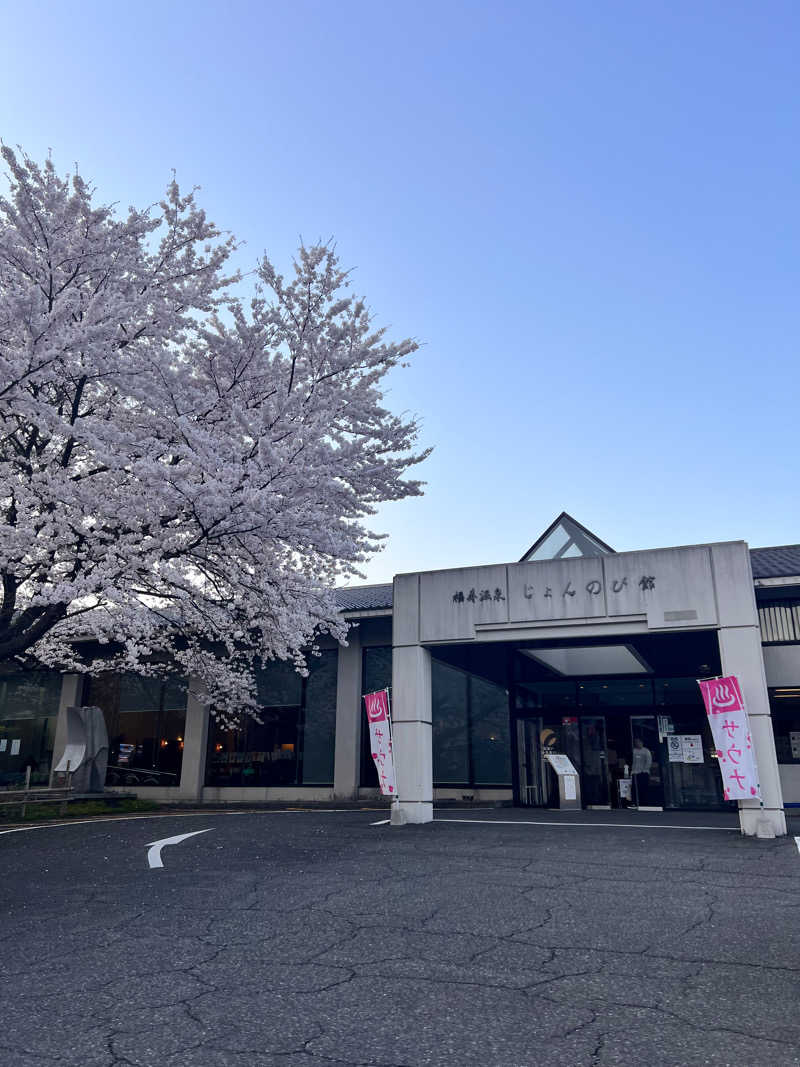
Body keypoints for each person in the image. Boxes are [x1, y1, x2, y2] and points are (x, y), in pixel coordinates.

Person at [631, 738, 652, 807]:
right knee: (634, 789)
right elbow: (632, 761)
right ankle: (635, 803)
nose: (637, 743)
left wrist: (644, 770)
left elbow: (649, 762)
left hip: (644, 773)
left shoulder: (646, 751)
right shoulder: (634, 751)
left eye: (638, 742)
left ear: (642, 742)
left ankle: (645, 803)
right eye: (635, 742)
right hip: (635, 773)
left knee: (644, 788)